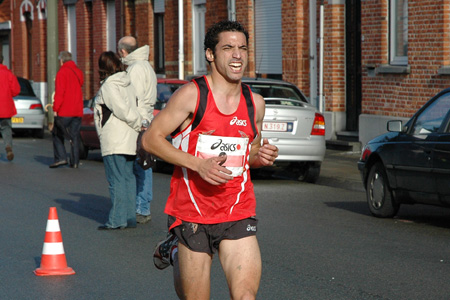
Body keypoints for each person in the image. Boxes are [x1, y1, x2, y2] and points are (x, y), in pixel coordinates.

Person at [142, 20, 279, 300]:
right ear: (210, 54)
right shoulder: (192, 95)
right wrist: (198, 164)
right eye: (228, 48)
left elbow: (248, 153)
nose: (237, 55)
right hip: (192, 211)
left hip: (237, 209)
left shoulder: (256, 103)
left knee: (245, 297)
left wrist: (260, 156)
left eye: (242, 48)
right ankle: (176, 248)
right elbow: (150, 139)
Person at [94, 51, 143, 230]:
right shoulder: (127, 83)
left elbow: (121, 110)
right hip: (129, 136)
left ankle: (116, 220)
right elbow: (134, 107)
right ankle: (129, 218)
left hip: (114, 138)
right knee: (128, 178)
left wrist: (137, 123)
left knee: (116, 180)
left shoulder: (109, 86)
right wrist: (138, 124)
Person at [118, 36, 157, 225]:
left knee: (139, 166)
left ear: (123, 52)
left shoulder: (134, 69)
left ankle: (141, 208)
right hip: (147, 119)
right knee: (144, 164)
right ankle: (142, 206)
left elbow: (132, 99)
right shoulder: (146, 66)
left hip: (139, 122)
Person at [50, 51, 84, 168]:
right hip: (78, 110)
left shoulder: (62, 72)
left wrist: (55, 109)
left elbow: (60, 93)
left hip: (65, 110)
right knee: (74, 136)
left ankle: (61, 158)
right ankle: (75, 161)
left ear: (61, 61)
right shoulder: (78, 72)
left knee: (57, 133)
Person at [0, 53, 20, 161]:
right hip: (5, 107)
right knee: (6, 128)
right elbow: (16, 90)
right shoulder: (9, 74)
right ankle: (8, 146)